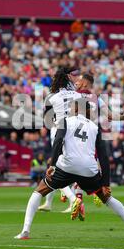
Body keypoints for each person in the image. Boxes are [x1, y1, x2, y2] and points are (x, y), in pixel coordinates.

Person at [15, 98, 124, 239]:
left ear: (76, 109)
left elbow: (58, 141)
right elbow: (103, 156)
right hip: (88, 170)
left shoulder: (65, 121)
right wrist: (106, 183)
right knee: (107, 199)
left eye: (71, 107)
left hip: (67, 167)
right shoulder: (95, 127)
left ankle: (25, 231)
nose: (69, 110)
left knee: (39, 191)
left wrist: (52, 165)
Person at [37, 66, 82, 213]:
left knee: (57, 167)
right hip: (75, 129)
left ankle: (73, 199)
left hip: (59, 129)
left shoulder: (51, 96)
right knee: (64, 164)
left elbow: (48, 118)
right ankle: (49, 202)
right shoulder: (76, 94)